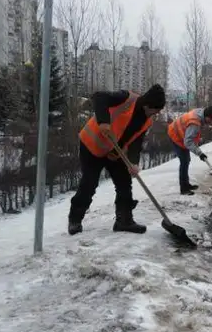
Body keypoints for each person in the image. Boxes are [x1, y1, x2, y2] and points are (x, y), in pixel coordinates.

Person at [68, 84, 166, 236]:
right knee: (89, 183)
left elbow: (136, 143)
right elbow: (99, 96)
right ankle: (75, 219)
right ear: (147, 105)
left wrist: (133, 163)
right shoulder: (126, 99)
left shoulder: (147, 121)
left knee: (124, 183)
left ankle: (124, 221)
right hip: (92, 146)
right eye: (156, 110)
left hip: (114, 152)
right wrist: (103, 121)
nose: (157, 114)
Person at [167, 101, 212, 195]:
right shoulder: (195, 123)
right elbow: (188, 142)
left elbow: (189, 139)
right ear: (206, 116)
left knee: (186, 160)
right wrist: (200, 153)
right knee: (184, 161)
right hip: (175, 136)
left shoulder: (201, 113)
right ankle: (184, 189)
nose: (211, 122)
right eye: (210, 119)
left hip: (181, 136)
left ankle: (186, 184)